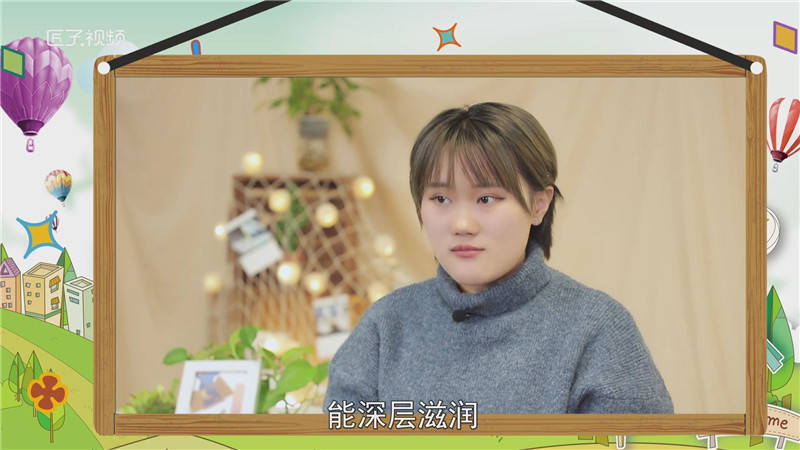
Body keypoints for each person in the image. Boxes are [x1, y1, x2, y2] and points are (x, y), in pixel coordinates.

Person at [323, 102, 673, 414]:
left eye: (486, 199)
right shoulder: (386, 325)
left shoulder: (597, 328)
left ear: (539, 205)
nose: (462, 225)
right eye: (441, 199)